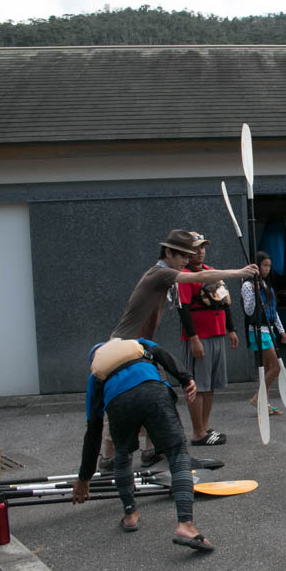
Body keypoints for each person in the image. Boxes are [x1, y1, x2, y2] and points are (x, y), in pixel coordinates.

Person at [100, 230, 256, 469]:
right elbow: (200, 277)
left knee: (157, 397)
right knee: (124, 400)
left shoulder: (165, 277)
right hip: (123, 348)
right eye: (182, 255)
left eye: (188, 254)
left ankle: (151, 451)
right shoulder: (159, 273)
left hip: (140, 348)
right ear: (168, 253)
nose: (186, 259)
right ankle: (109, 458)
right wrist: (239, 273)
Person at [72, 338, 213, 551]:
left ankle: (130, 515)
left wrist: (84, 478)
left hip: (119, 403)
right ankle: (185, 525)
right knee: (177, 453)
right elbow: (163, 354)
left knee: (122, 455)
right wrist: (186, 378)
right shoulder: (137, 343)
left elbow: (93, 431)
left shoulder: (96, 377)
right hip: (152, 391)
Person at [177, 232, 238, 447]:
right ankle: (198, 432)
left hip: (217, 332)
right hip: (199, 336)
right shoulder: (184, 276)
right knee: (198, 385)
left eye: (202, 247)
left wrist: (231, 329)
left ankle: (204, 427)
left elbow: (223, 300)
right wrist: (193, 338)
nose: (200, 251)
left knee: (210, 385)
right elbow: (183, 309)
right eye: (195, 248)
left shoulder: (210, 271)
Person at [241, 251, 286, 416]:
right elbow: (248, 311)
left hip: (269, 329)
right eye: (264, 265)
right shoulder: (248, 285)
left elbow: (273, 311)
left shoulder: (266, 285)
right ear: (257, 266)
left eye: (269, 266)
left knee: (268, 369)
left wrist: (281, 330)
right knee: (276, 367)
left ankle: (264, 403)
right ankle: (257, 398)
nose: (267, 269)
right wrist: (255, 292)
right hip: (258, 330)